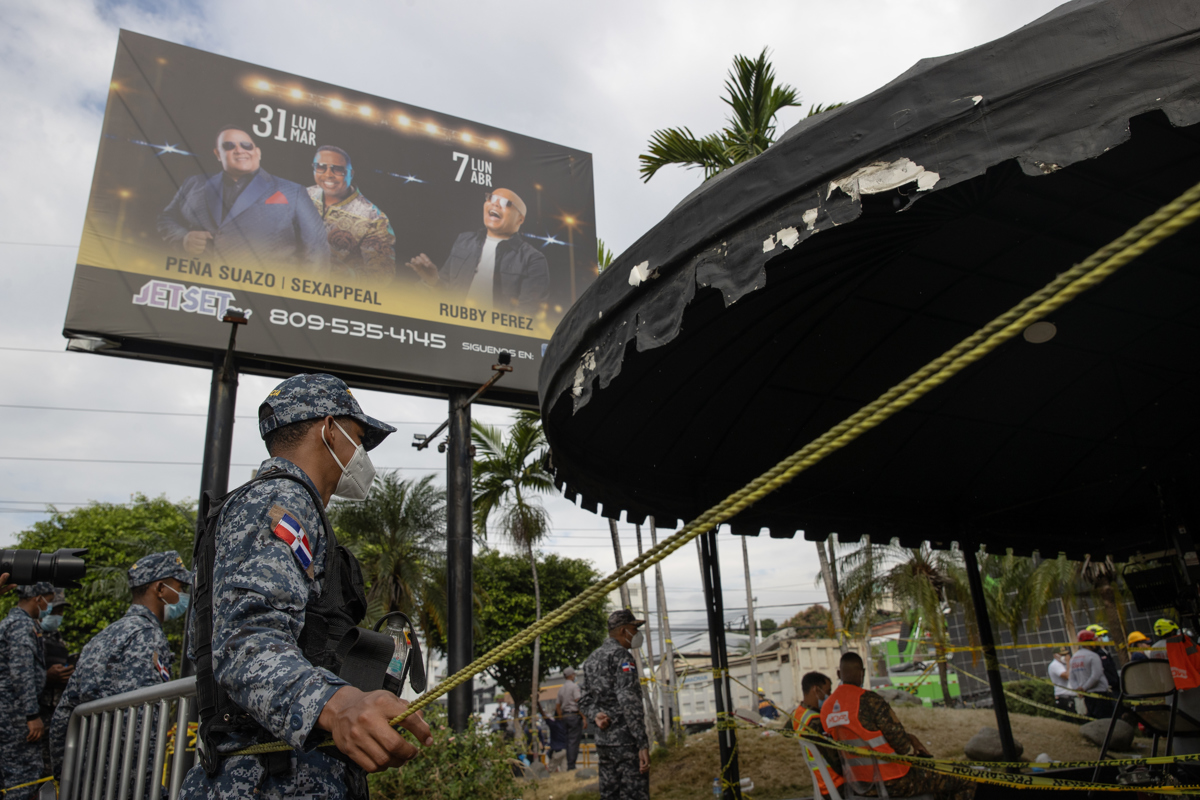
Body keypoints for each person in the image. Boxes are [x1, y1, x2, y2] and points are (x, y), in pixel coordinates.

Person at [180, 373, 431, 799]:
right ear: (329, 429)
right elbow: (247, 645)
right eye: (359, 438)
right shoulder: (281, 499)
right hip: (267, 777)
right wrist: (340, 705)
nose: (362, 456)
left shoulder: (284, 503)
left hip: (278, 770)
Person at [49, 551, 190, 773]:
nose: (182, 595)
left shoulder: (103, 635)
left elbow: (65, 713)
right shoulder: (147, 635)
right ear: (161, 589)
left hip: (87, 777)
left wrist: (64, 775)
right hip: (123, 778)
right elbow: (142, 718)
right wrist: (144, 780)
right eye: (180, 588)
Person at [158, 126, 330, 269]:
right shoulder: (194, 183)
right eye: (229, 145)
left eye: (246, 145)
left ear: (258, 152)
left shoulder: (293, 191)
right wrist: (183, 238)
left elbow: (317, 249)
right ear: (218, 153)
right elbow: (166, 219)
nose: (239, 150)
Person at [821, 651, 976, 800]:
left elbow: (834, 758)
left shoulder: (826, 709)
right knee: (964, 776)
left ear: (839, 674)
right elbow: (902, 746)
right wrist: (911, 740)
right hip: (893, 781)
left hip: (857, 786)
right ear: (862, 673)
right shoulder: (870, 701)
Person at [405, 189, 550, 314]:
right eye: (491, 198)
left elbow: (529, 314)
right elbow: (445, 297)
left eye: (506, 203)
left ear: (520, 219)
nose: (495, 203)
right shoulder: (464, 241)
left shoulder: (533, 259)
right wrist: (433, 282)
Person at [579, 608, 650, 800]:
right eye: (634, 629)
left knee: (610, 795)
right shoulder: (622, 657)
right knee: (634, 795)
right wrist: (642, 743)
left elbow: (584, 699)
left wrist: (595, 715)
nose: (636, 634)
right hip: (626, 742)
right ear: (622, 631)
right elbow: (629, 701)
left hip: (604, 743)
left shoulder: (591, 659)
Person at [307, 145, 396, 281]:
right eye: (320, 167)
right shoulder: (302, 196)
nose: (328, 174)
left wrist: (347, 275)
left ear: (351, 174)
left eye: (338, 169)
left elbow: (382, 276)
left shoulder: (374, 219)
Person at [0, 582, 55, 800]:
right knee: (23, 777)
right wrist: (31, 715)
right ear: (37, 598)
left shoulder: (9, 622)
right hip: (16, 715)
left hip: (10, 711)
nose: (48, 607)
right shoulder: (22, 626)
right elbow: (21, 670)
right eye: (49, 602)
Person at [791, 671, 844, 799]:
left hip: (821, 782)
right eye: (827, 691)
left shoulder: (797, 714)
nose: (829, 696)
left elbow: (786, 732)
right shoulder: (816, 721)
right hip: (836, 784)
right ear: (816, 690)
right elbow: (834, 758)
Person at [1070, 630, 1112, 719]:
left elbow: (1071, 678)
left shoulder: (1074, 657)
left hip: (1087, 697)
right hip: (1100, 695)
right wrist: (1084, 688)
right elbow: (1096, 676)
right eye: (1093, 641)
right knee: (1106, 722)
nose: (1095, 644)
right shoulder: (1093, 656)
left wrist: (1078, 690)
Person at [556, 665, 585, 770]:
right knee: (574, 741)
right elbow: (578, 701)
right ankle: (571, 765)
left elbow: (558, 705)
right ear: (571, 675)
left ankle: (569, 763)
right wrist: (584, 717)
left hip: (565, 716)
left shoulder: (561, 688)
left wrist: (560, 717)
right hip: (574, 716)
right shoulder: (574, 687)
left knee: (568, 741)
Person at [1087, 623, 1122, 695]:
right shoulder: (1095, 655)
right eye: (1103, 636)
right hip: (1108, 690)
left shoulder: (1105, 652)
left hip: (1116, 688)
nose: (1106, 638)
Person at [1047, 647, 1077, 714]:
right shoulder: (1055, 665)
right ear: (1055, 655)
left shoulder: (1064, 664)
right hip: (1064, 696)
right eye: (1062, 655)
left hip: (1071, 695)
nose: (1065, 657)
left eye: (1066, 655)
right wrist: (1068, 662)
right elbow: (1067, 676)